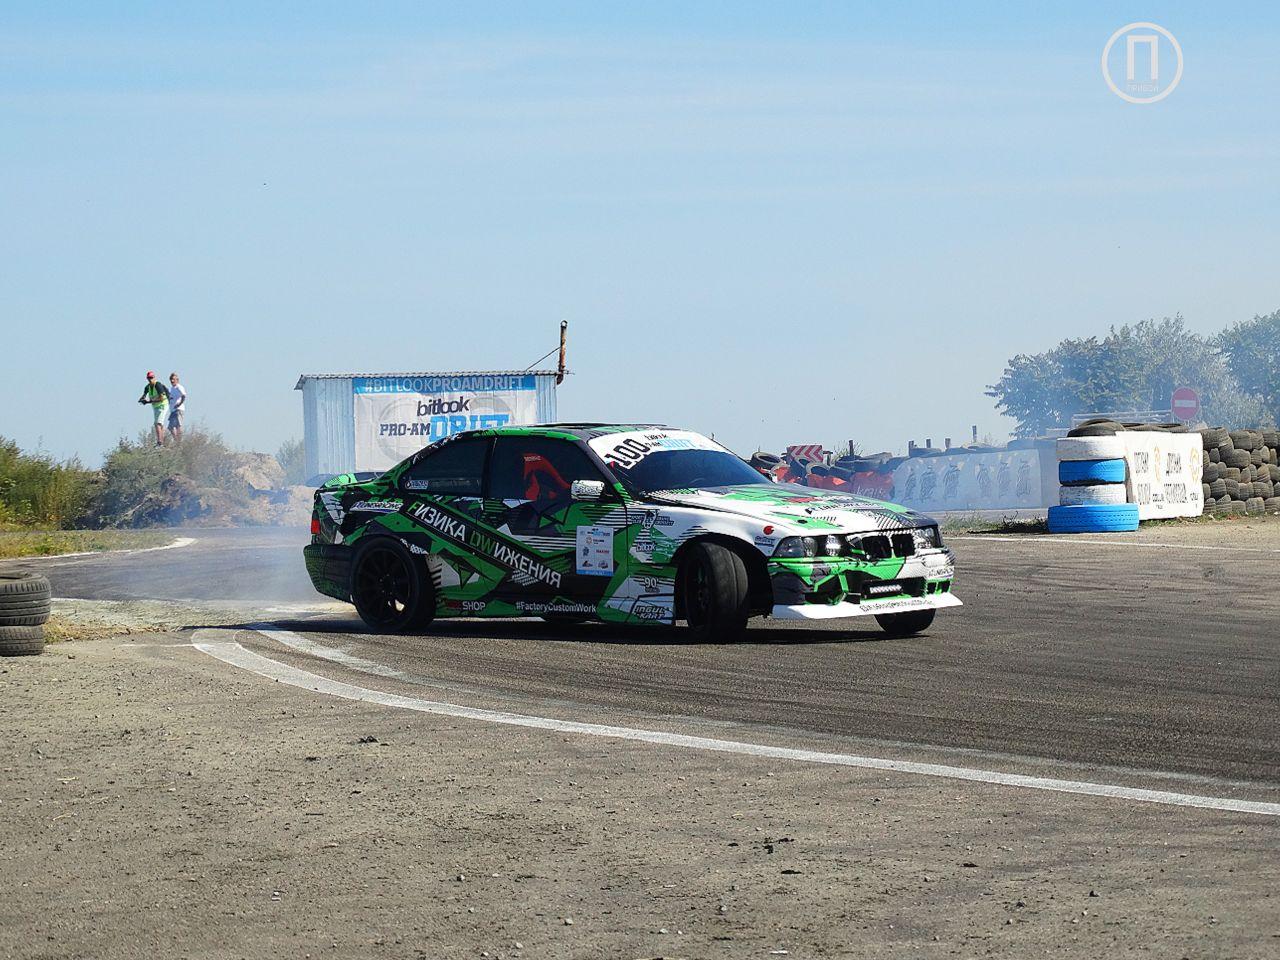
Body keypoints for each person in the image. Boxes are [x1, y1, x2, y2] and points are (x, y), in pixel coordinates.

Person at [137, 370, 170, 448]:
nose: (150, 379)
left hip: (163, 405)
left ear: (154, 377)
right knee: (159, 424)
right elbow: (144, 395)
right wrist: (142, 399)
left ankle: (160, 443)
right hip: (155, 407)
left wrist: (149, 401)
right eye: (149, 378)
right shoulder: (147, 387)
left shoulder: (157, 385)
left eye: (151, 377)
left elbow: (161, 398)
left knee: (158, 424)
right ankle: (162, 442)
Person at [167, 372, 187, 442]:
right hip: (173, 410)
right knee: (170, 427)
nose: (172, 381)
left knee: (178, 425)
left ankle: (179, 441)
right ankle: (176, 441)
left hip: (178, 409)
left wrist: (179, 403)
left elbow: (184, 395)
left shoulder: (179, 387)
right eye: (171, 379)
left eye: (173, 379)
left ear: (177, 380)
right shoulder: (172, 388)